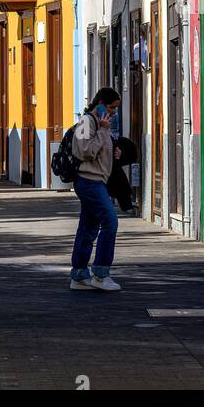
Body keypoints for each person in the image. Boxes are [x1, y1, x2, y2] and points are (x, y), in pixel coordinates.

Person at [69, 86, 123, 292]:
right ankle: (101, 274)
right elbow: (84, 151)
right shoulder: (86, 122)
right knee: (110, 221)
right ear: (100, 104)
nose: (113, 113)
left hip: (98, 181)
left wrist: (114, 153)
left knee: (88, 227)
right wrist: (102, 130)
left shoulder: (103, 125)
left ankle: (80, 275)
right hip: (88, 181)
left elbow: (99, 149)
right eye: (111, 108)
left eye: (116, 109)